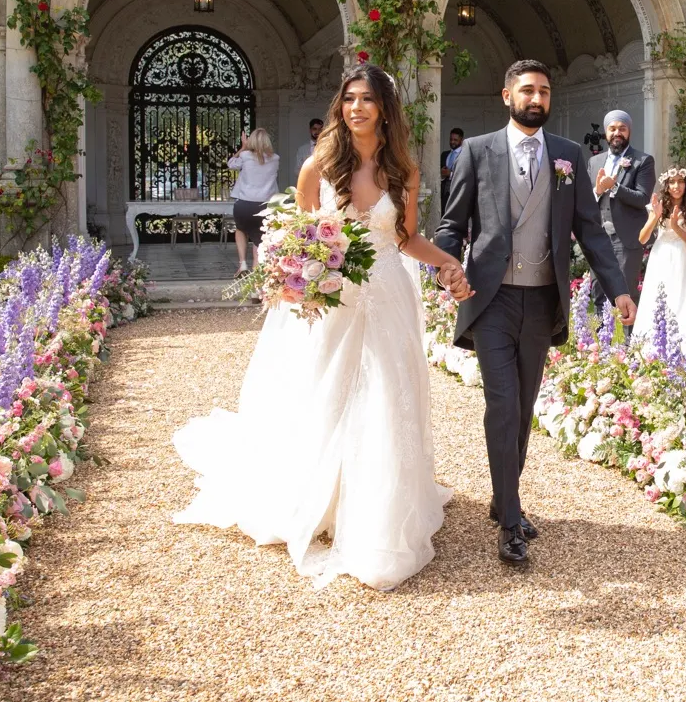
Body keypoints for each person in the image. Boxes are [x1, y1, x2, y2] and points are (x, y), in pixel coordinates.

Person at [173, 65, 472, 590]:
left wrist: (448, 262)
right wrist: (298, 274)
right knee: (326, 391)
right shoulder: (318, 166)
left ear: (384, 108)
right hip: (330, 299)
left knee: (384, 394)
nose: (357, 108)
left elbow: (405, 240)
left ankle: (378, 504)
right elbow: (298, 235)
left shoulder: (403, 169)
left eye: (368, 99)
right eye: (350, 99)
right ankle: (319, 499)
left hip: (386, 293)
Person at [436, 59, 635, 565]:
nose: (537, 99)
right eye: (528, 90)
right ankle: (509, 522)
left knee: (523, 409)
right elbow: (451, 224)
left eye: (544, 91)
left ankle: (504, 497)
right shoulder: (476, 152)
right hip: (492, 299)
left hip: (543, 298)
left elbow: (590, 230)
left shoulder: (569, 156)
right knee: (502, 406)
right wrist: (447, 267)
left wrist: (618, 290)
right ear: (507, 96)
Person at [631, 168, 686, 351]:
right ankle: (650, 346)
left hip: (682, 258)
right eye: (672, 182)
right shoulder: (658, 208)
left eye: (680, 182)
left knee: (677, 298)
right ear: (667, 186)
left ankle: (676, 347)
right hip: (661, 256)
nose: (676, 186)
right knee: (655, 297)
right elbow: (642, 238)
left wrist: (676, 227)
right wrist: (655, 216)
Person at [592, 109, 655, 307]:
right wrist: (598, 190)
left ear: (629, 132)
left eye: (622, 128)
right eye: (612, 129)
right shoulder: (594, 161)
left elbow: (642, 198)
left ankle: (629, 339)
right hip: (599, 237)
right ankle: (602, 337)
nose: (617, 133)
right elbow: (586, 199)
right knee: (598, 290)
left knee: (626, 293)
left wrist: (615, 187)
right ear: (606, 132)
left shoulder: (642, 161)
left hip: (626, 239)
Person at [228, 129, 280, 276]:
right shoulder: (275, 158)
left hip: (244, 204)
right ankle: (255, 288)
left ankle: (243, 263)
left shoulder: (245, 156)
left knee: (240, 230)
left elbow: (231, 164)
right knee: (259, 243)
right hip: (264, 206)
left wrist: (243, 147)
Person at [439, 126, 463, 210]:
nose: (452, 142)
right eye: (451, 139)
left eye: (455, 140)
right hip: (444, 195)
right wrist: (441, 174)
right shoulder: (444, 155)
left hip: (459, 194)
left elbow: (467, 174)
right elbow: (440, 173)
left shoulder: (465, 154)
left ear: (461, 140)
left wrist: (451, 174)